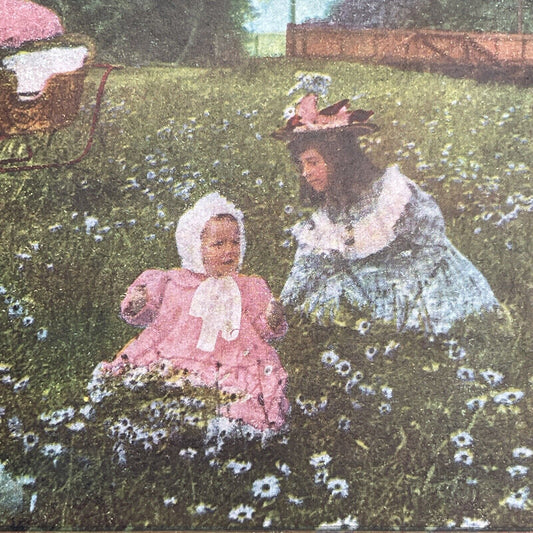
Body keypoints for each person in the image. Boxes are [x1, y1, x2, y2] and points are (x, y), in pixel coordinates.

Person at [273, 93, 498, 335]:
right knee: (331, 290)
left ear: (338, 159)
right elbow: (308, 265)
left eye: (313, 162)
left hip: (423, 274)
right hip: (374, 280)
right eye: (302, 165)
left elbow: (433, 243)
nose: (306, 173)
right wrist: (281, 304)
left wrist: (401, 281)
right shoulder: (328, 213)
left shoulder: (391, 194)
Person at [102, 192, 289, 432]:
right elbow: (145, 315)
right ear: (194, 247)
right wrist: (139, 301)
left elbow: (261, 329)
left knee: (238, 400)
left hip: (233, 356)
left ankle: (231, 430)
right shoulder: (174, 282)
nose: (229, 251)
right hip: (177, 352)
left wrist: (271, 319)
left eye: (235, 242)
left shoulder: (248, 287)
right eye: (218, 244)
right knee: (162, 395)